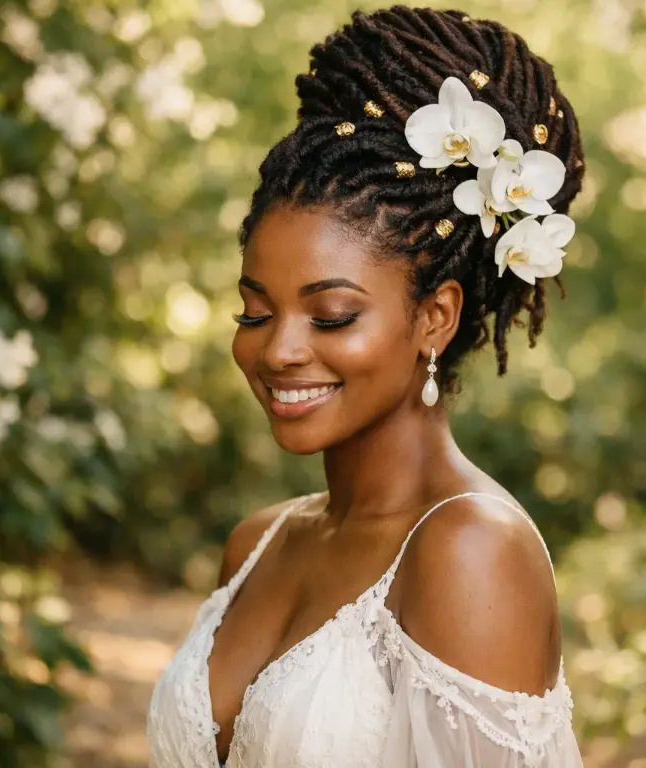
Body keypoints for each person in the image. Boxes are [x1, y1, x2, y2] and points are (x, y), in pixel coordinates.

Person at [148, 6, 586, 767]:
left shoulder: (471, 552)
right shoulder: (257, 543)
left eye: (332, 316)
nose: (279, 350)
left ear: (435, 318)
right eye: (254, 312)